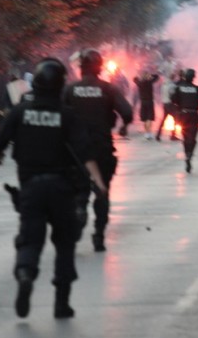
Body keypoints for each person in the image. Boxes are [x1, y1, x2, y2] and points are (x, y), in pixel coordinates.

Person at [0, 58, 108, 319]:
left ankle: (25, 273)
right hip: (61, 188)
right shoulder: (67, 115)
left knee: (30, 239)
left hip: (30, 187)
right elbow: (85, 152)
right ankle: (61, 303)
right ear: (61, 84)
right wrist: (98, 182)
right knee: (65, 244)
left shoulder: (21, 111)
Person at [64, 49, 133, 252]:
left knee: (79, 191)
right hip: (101, 148)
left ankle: (79, 211)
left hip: (75, 151)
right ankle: (99, 236)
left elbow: (58, 114)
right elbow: (127, 112)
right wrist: (123, 126)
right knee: (102, 193)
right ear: (100, 68)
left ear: (81, 68)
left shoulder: (69, 90)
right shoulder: (108, 89)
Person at [171, 68, 198, 173]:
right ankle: (189, 154)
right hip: (193, 115)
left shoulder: (179, 88)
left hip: (183, 115)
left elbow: (173, 99)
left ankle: (187, 153)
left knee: (185, 137)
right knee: (193, 138)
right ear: (193, 78)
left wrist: (178, 108)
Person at [133, 70, 159, 140]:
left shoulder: (140, 83)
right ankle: (149, 133)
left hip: (143, 102)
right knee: (149, 118)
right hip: (150, 102)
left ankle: (147, 133)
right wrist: (151, 75)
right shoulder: (150, 82)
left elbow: (134, 79)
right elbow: (157, 76)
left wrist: (139, 77)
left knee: (144, 118)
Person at [155, 72, 180, 141]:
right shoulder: (172, 85)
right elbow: (172, 95)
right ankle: (173, 135)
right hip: (170, 104)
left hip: (165, 103)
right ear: (173, 78)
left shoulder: (164, 85)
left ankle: (158, 135)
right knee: (176, 119)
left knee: (163, 120)